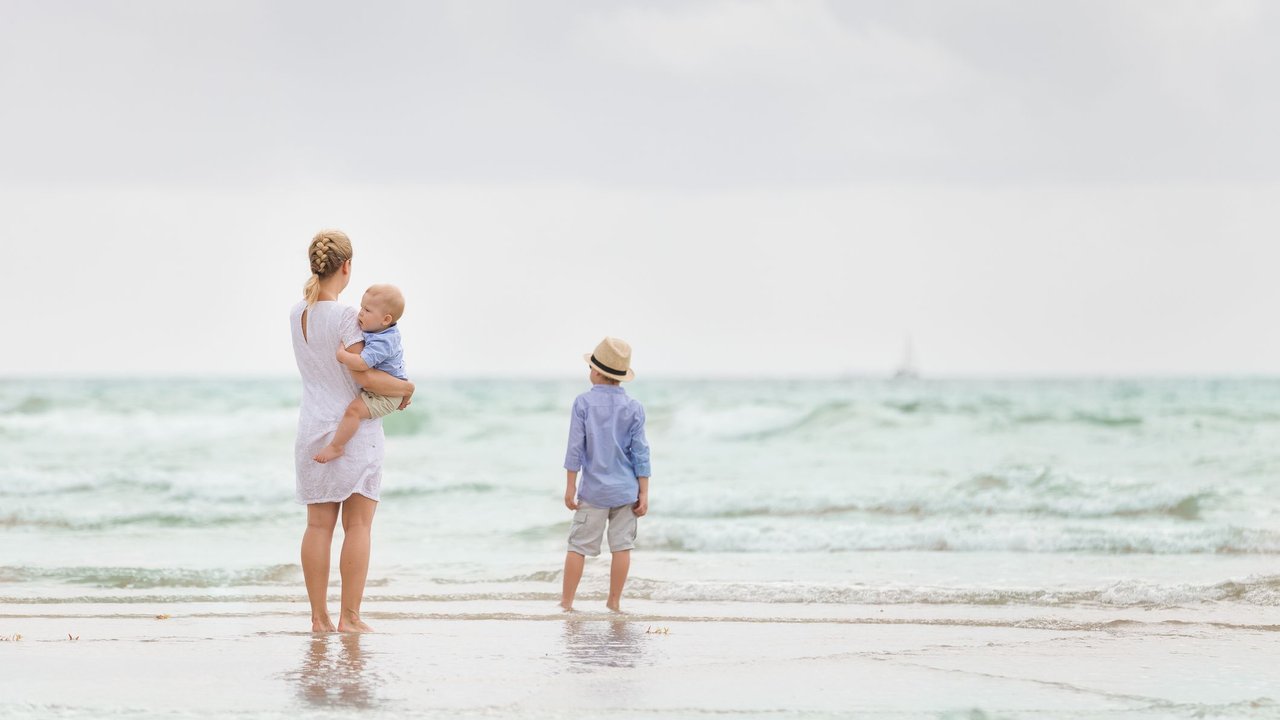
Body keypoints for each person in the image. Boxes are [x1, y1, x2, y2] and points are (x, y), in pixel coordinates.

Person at [290, 230, 415, 633]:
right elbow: (368, 377)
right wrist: (406, 388)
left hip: (312, 427)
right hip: (353, 432)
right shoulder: (347, 317)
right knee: (358, 527)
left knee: (316, 527)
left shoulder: (298, 314)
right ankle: (350, 617)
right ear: (346, 267)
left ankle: (318, 619)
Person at [560, 337, 651, 612]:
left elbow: (575, 447)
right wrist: (644, 492)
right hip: (626, 490)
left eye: (590, 367)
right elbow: (641, 453)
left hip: (594, 491)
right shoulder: (634, 408)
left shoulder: (583, 403)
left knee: (577, 546)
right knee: (621, 547)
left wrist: (570, 486)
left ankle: (566, 603)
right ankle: (614, 602)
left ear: (597, 372)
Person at [314, 284, 409, 464]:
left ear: (385, 319)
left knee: (353, 410)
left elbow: (362, 363)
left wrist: (342, 355)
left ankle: (337, 446)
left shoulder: (384, 341)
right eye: (361, 307)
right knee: (354, 408)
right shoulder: (379, 330)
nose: (360, 313)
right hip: (387, 387)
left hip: (386, 395)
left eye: (367, 310)